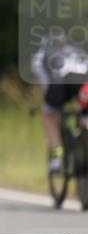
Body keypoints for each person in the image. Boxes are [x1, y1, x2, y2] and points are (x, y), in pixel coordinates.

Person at [33, 34, 88, 174]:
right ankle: (82, 132)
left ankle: (58, 155)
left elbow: (47, 85)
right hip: (84, 85)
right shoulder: (77, 51)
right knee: (83, 116)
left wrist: (54, 105)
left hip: (60, 85)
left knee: (48, 115)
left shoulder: (40, 56)